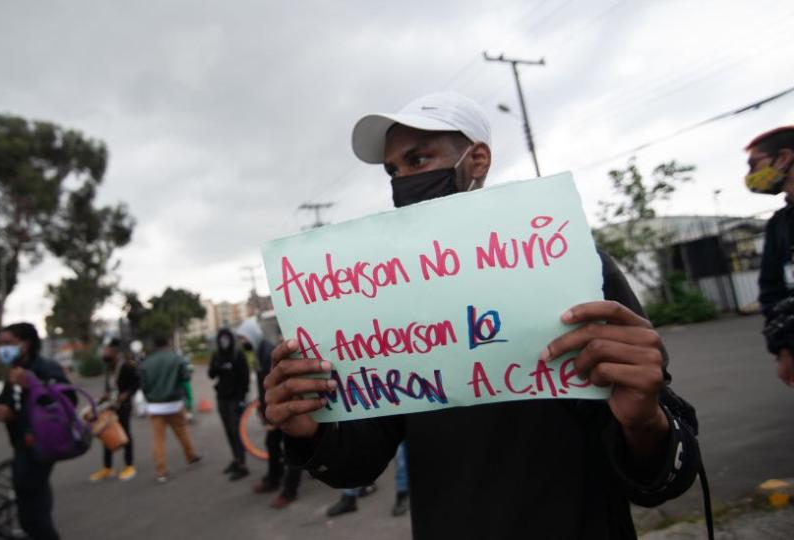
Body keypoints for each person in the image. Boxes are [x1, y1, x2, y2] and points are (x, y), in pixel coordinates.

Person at [264, 92, 701, 538]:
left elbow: (659, 475)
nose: (402, 181)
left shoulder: (576, 270)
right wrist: (307, 431)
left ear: (477, 161)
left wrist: (646, 421)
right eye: (393, 171)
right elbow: (359, 460)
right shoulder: (387, 302)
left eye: (418, 159)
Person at [0, 322, 69, 540]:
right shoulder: (14, 372)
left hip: (41, 445)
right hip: (20, 445)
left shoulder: (45, 368)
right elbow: (7, 402)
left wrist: (32, 385)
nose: (2, 348)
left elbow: (66, 400)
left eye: (8, 343)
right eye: (0, 344)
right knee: (33, 504)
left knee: (32, 516)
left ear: (26, 344)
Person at [745, 126, 794, 387]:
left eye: (754, 165)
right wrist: (784, 350)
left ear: (784, 158)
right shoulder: (779, 225)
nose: (750, 176)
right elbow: (772, 290)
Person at [237, 318, 303, 509]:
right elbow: (264, 384)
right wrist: (261, 407)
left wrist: (277, 415)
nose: (242, 342)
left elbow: (280, 384)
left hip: (284, 407)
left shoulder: (268, 352)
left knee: (293, 449)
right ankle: (274, 479)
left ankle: (289, 491)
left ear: (252, 335)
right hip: (273, 407)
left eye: (243, 338)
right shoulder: (259, 351)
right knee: (272, 443)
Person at [139, 335, 201, 482]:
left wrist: (150, 398)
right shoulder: (177, 359)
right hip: (174, 403)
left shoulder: (146, 363)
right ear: (168, 343)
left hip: (155, 406)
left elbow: (143, 385)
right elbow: (185, 378)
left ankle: (161, 471)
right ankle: (191, 456)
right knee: (182, 432)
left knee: (158, 439)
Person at [89, 338, 140, 482]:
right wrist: (104, 396)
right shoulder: (109, 366)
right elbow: (110, 385)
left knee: (125, 434)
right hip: (110, 405)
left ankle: (129, 465)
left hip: (123, 406)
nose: (105, 353)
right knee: (106, 434)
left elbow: (137, 382)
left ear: (115, 352)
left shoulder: (126, 366)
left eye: (107, 350)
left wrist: (126, 394)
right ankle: (107, 467)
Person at [208, 328, 250, 480]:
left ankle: (243, 465)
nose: (224, 342)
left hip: (235, 398)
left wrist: (242, 399)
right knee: (228, 430)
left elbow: (245, 378)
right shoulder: (217, 355)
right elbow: (211, 374)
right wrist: (218, 366)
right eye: (221, 339)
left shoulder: (238, 354)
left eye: (226, 339)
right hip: (222, 398)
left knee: (236, 430)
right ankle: (236, 459)